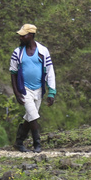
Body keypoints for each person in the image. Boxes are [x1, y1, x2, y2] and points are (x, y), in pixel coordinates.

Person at [9, 24, 56, 153]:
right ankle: (37, 144)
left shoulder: (43, 52)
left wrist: (51, 92)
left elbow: (50, 72)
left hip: (39, 90)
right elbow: (13, 73)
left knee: (29, 117)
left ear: (31, 35)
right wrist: (17, 93)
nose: (20, 38)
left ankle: (19, 142)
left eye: (23, 35)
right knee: (34, 116)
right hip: (25, 89)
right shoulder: (17, 53)